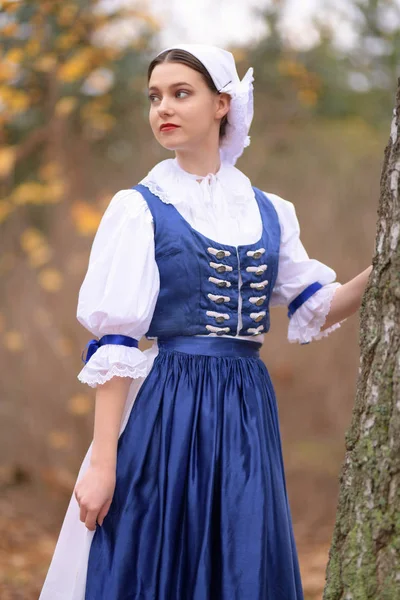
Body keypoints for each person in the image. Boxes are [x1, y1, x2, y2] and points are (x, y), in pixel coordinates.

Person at [39, 43, 372, 600]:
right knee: (158, 554)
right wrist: (101, 463)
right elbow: (117, 340)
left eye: (180, 93)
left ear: (223, 105)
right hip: (167, 406)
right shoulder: (139, 208)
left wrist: (386, 264)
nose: (162, 108)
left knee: (240, 556)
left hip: (245, 409)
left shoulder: (269, 210)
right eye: (154, 97)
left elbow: (319, 304)